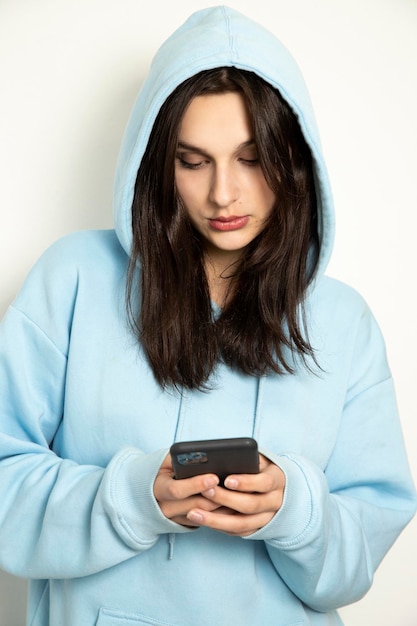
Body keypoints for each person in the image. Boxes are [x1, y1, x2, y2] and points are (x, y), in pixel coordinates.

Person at [0, 5, 415, 626]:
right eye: (193, 161)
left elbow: (356, 563)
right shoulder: (74, 279)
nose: (224, 193)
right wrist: (133, 497)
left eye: (251, 158)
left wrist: (293, 509)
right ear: (155, 163)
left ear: (293, 160)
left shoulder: (342, 322)